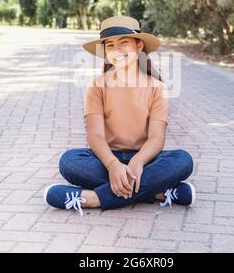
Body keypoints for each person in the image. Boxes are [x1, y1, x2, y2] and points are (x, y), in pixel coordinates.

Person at [44, 16, 195, 216]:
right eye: (110, 45)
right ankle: (158, 192)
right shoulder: (97, 86)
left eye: (123, 42)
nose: (117, 50)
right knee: (69, 161)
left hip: (145, 159)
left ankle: (94, 198)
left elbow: (156, 138)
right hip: (106, 158)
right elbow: (95, 136)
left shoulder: (156, 87)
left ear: (139, 46)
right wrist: (114, 165)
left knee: (183, 160)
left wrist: (137, 162)